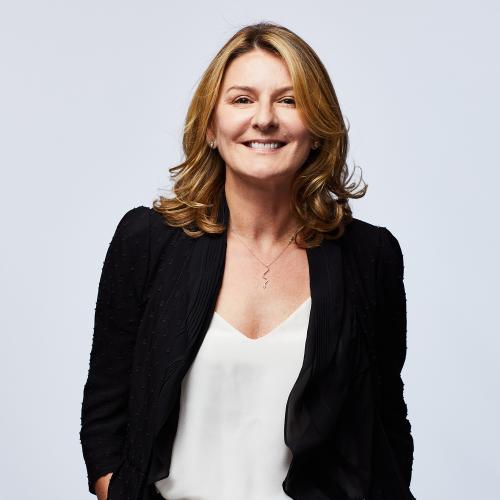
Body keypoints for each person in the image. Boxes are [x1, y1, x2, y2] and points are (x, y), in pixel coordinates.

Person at [80, 22, 416, 500]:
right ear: (210, 127)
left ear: (317, 129)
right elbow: (105, 413)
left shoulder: (369, 256)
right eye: (242, 99)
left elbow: (386, 422)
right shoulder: (148, 241)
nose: (264, 119)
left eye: (289, 100)